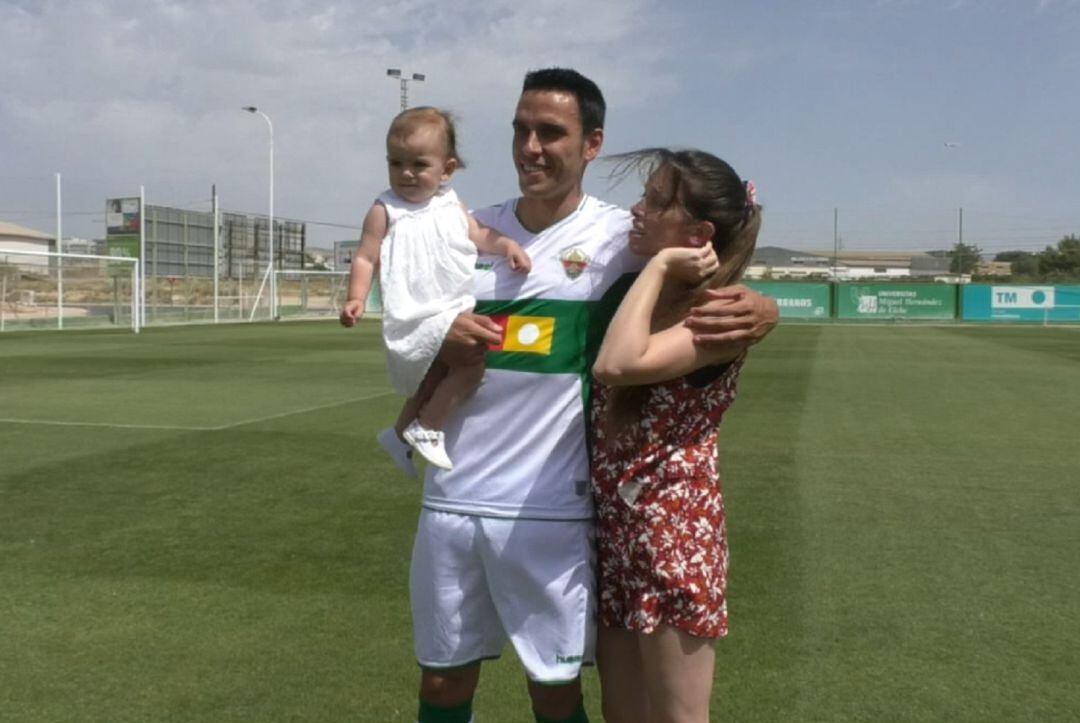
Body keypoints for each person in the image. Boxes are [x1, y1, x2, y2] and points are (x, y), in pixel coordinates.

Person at [408, 69, 779, 723]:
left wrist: (765, 306)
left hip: (558, 506)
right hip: (457, 495)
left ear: (592, 143)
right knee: (442, 684)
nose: (531, 146)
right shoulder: (464, 233)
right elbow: (402, 330)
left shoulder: (620, 241)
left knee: (555, 690)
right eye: (521, 130)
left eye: (551, 132)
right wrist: (437, 335)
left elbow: (708, 259)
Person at [590, 148, 762, 723]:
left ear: (698, 232)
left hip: (673, 538)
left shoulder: (719, 315)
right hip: (619, 534)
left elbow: (616, 364)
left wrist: (664, 265)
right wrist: (657, 271)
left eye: (656, 201)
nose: (637, 210)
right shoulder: (643, 293)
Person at [339, 106, 530, 473]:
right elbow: (365, 257)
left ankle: (397, 435)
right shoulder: (385, 209)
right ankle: (428, 427)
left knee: (437, 374)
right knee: (471, 365)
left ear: (447, 169)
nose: (406, 174)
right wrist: (355, 298)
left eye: (419, 164)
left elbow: (477, 235)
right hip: (418, 312)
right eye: (396, 164)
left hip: (451, 304)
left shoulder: (450, 204)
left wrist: (506, 245)